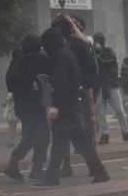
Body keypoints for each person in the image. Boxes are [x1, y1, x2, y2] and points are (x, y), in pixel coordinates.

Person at [33, 28, 109, 187]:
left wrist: (55, 105)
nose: (43, 48)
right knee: (81, 143)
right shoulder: (66, 54)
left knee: (60, 142)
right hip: (73, 103)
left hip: (64, 106)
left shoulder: (59, 57)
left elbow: (61, 83)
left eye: (44, 44)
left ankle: (51, 177)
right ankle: (100, 172)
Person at [3, 34, 50, 181]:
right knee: (43, 135)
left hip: (21, 104)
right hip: (34, 104)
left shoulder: (17, 60)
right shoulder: (35, 59)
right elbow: (50, 70)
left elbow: (9, 83)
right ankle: (36, 169)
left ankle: (14, 162)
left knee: (30, 136)